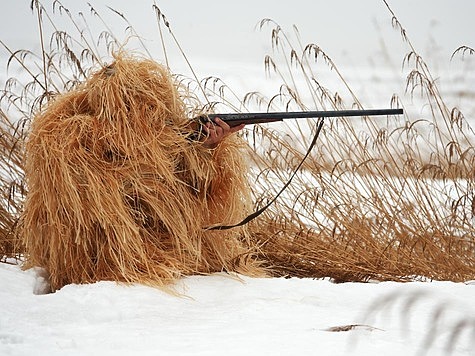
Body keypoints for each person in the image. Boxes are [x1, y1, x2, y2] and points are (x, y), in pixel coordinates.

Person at [19, 53, 262, 292]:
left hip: (147, 242)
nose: (155, 116)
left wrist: (206, 148)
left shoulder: (153, 138)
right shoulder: (71, 136)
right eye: (145, 106)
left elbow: (191, 191)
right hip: (103, 253)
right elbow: (100, 205)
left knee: (222, 262)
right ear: (117, 103)